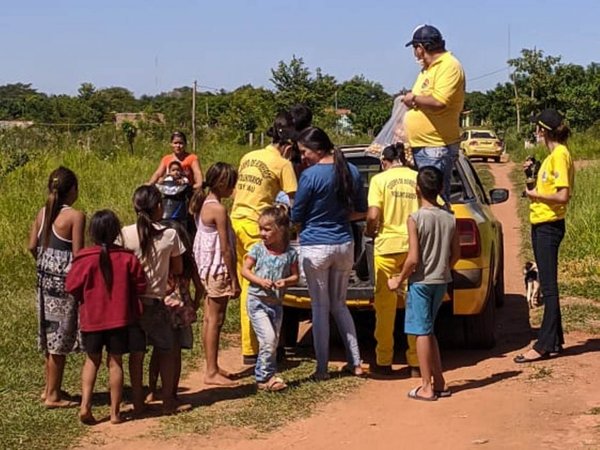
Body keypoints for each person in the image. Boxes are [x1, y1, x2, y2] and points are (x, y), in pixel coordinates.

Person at [291, 127, 367, 380]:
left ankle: (322, 368)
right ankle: (355, 362)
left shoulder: (310, 176)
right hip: (344, 244)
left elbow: (297, 214)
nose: (303, 157)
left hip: (316, 246)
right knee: (340, 305)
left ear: (318, 149)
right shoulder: (351, 171)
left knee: (320, 308)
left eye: (305, 152)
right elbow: (361, 211)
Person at [65, 210, 147, 425]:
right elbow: (141, 285)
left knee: (92, 360)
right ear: (115, 232)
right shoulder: (127, 257)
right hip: (120, 318)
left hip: (92, 319)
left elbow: (71, 286)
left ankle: (85, 405)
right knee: (115, 362)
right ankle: (114, 413)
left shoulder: (83, 258)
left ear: (92, 232)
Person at [231, 112, 298, 365]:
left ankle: (252, 345)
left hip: (235, 220)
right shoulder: (283, 164)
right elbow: (294, 201)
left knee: (244, 279)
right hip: (255, 226)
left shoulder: (248, 156)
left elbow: (239, 190)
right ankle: (256, 349)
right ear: (289, 147)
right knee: (257, 285)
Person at [388, 166, 459, 401]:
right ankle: (439, 381)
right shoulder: (449, 217)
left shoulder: (416, 218)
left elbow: (413, 258)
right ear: (440, 188)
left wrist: (399, 278)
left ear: (417, 189)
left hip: (421, 282)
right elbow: (456, 254)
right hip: (441, 279)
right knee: (429, 330)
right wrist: (444, 267)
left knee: (420, 332)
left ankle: (426, 386)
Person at [514, 109, 575, 363]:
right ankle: (555, 340)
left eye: (537, 129)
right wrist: (533, 173)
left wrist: (534, 195)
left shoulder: (559, 155)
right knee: (548, 285)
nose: (535, 133)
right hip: (543, 224)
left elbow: (562, 195)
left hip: (549, 226)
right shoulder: (553, 156)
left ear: (544, 130)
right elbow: (548, 185)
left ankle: (543, 345)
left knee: (548, 288)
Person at [120, 185, 187, 414]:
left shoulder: (124, 234)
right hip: (156, 302)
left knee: (137, 354)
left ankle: (138, 402)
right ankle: (168, 401)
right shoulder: (169, 235)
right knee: (166, 349)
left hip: (132, 302)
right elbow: (178, 268)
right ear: (159, 207)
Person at [27, 166, 85, 409]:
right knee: (59, 341)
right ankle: (53, 396)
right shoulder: (75, 216)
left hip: (44, 283)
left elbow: (32, 246)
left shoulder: (43, 212)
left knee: (49, 338)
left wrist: (46, 263)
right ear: (72, 190)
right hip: (64, 286)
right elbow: (79, 255)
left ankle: (49, 388)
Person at [365, 143, 420, 376]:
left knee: (385, 307)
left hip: (387, 248)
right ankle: (416, 362)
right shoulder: (417, 177)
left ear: (384, 162)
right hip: (413, 249)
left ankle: (384, 360)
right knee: (413, 305)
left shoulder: (380, 180)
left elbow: (374, 214)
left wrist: (370, 231)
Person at [401, 24, 465, 209]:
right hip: (422, 145)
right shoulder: (428, 70)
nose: (415, 54)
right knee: (422, 202)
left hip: (434, 146)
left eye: (415, 48)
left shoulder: (449, 66)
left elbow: (439, 101)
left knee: (433, 202)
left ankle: (438, 237)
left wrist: (413, 98)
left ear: (421, 48)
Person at [191, 162, 241, 385]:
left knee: (209, 318)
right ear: (222, 184)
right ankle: (210, 371)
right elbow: (225, 248)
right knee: (216, 320)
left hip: (206, 268)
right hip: (218, 269)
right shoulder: (218, 210)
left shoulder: (204, 203)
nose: (234, 188)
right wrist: (234, 278)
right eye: (231, 184)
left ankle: (212, 366)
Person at [241, 205, 299, 391]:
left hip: (276, 304)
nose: (262, 233)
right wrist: (259, 281)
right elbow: (245, 270)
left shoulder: (290, 253)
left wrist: (286, 282)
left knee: (272, 341)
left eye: (267, 229)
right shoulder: (257, 249)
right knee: (268, 338)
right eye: (261, 229)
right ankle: (263, 377)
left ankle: (269, 374)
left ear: (281, 230)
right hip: (257, 301)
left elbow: (295, 276)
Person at [146, 220, 202, 402]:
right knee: (175, 354)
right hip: (181, 312)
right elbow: (200, 286)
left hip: (161, 309)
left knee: (158, 351)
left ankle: (152, 391)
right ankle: (172, 392)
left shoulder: (160, 260)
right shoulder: (187, 262)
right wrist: (194, 303)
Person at [156, 160, 193, 225]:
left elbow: (187, 182)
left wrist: (182, 182)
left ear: (181, 171)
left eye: (178, 170)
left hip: (180, 206)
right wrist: (163, 178)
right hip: (167, 206)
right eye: (173, 170)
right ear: (169, 172)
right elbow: (159, 183)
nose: (176, 172)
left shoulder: (183, 179)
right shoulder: (167, 180)